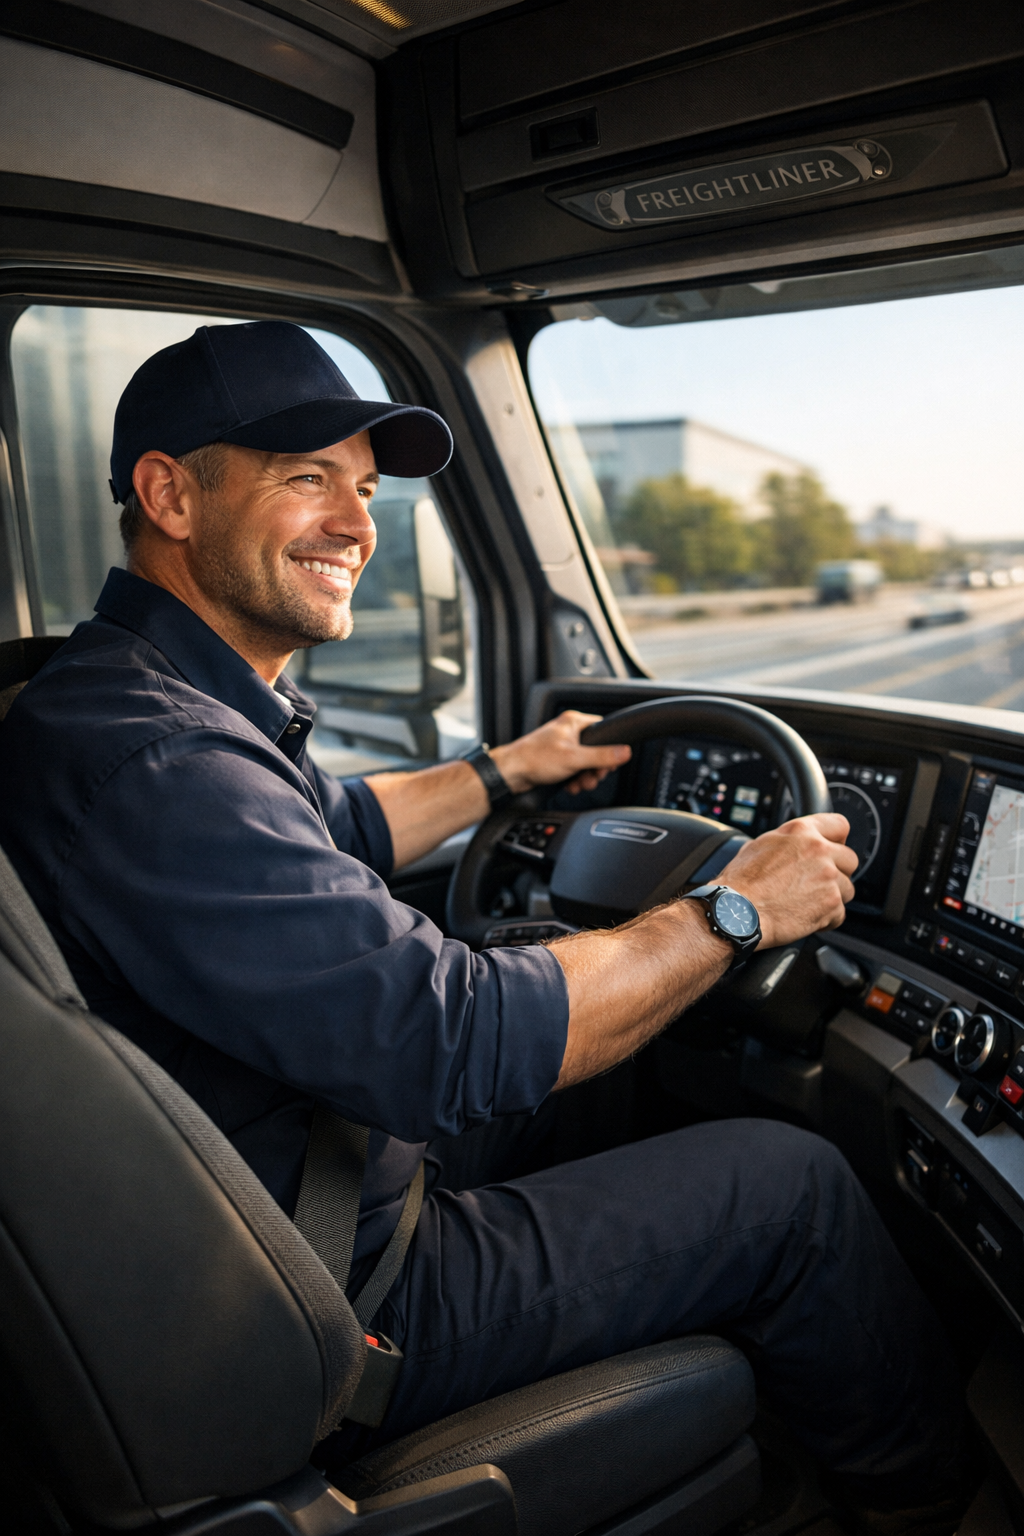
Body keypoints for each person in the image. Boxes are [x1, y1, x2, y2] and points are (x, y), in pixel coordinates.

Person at [0, 322, 970, 1533]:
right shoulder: (160, 759)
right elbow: (447, 1044)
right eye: (306, 479)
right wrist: (731, 911)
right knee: (790, 1186)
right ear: (169, 494)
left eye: (362, 488)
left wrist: (508, 772)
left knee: (543, 978)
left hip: (268, 1194)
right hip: (327, 1300)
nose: (356, 522)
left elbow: (333, 824)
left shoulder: (119, 699)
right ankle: (929, 1503)